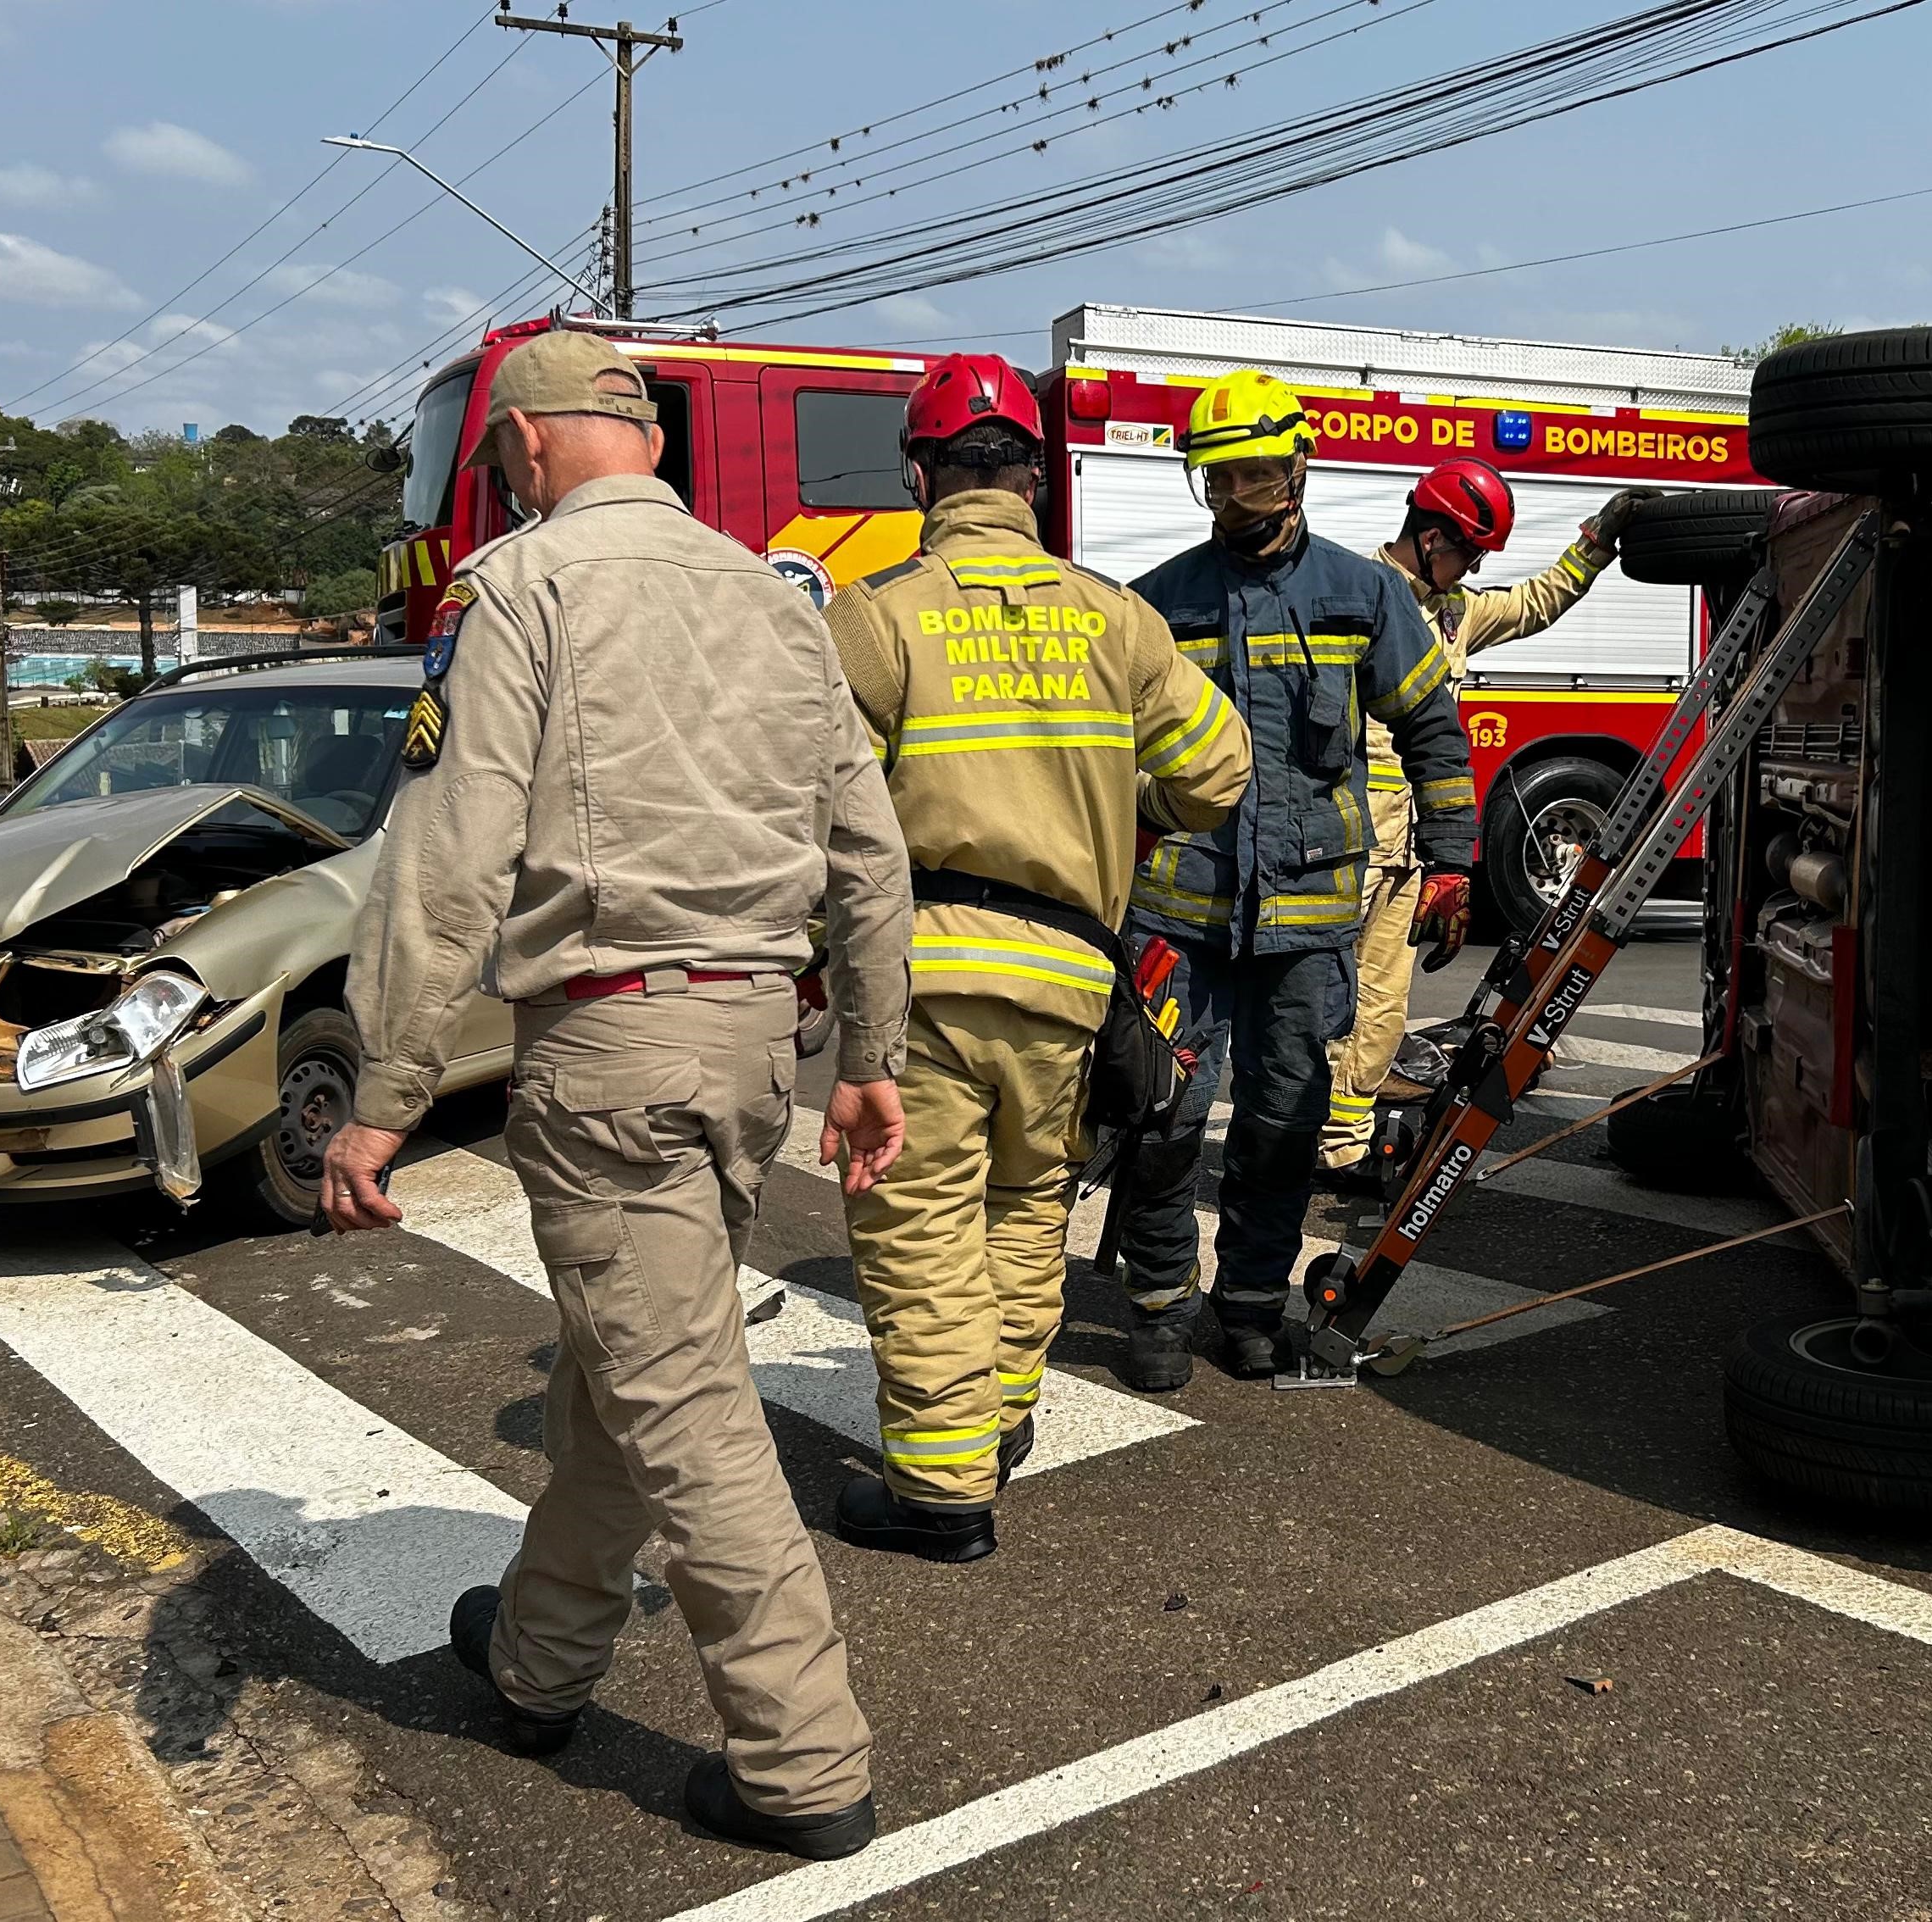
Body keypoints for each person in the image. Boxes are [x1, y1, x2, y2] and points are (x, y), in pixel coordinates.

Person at [313, 328, 905, 1864]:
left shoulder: (517, 589)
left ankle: (802, 1759)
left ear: (518, 448)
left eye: (494, 459)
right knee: (623, 1373)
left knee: (685, 1405)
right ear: (641, 437)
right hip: (746, 1051)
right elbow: (867, 847)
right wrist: (876, 1058)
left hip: (609, 1046)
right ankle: (535, 1660)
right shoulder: (782, 601)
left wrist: (383, 1093)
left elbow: (445, 858)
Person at [822, 354, 1251, 1558]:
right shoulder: (1118, 617)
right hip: (1070, 977)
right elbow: (1219, 775)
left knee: (919, 1224)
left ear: (921, 476)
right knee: (1024, 1205)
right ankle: (1001, 1416)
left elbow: (826, 812)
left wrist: (821, 959)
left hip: (923, 971)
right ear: (1035, 482)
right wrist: (1125, 819)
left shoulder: (876, 613)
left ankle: (945, 1491)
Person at [1114, 369, 1482, 1388]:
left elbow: (1431, 732)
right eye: (1221, 482)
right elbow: (1108, 758)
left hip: (1305, 922)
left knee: (1283, 1127)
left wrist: (1451, 862)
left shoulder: (1362, 597)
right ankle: (1154, 1312)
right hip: (1178, 918)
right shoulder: (1158, 605)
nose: (1240, 501)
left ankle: (1246, 1309)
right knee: (1162, 1123)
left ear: (1302, 470)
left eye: (1260, 479)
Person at [1320, 459, 1658, 1186]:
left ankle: (1340, 1146)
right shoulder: (1350, 594)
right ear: (1434, 536)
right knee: (1322, 1006)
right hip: (1346, 847)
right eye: (1469, 552)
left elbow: (1537, 602)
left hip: (1411, 851)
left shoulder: (1454, 611)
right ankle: (1294, 1139)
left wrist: (1596, 543)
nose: (1474, 567)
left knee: (1383, 1004)